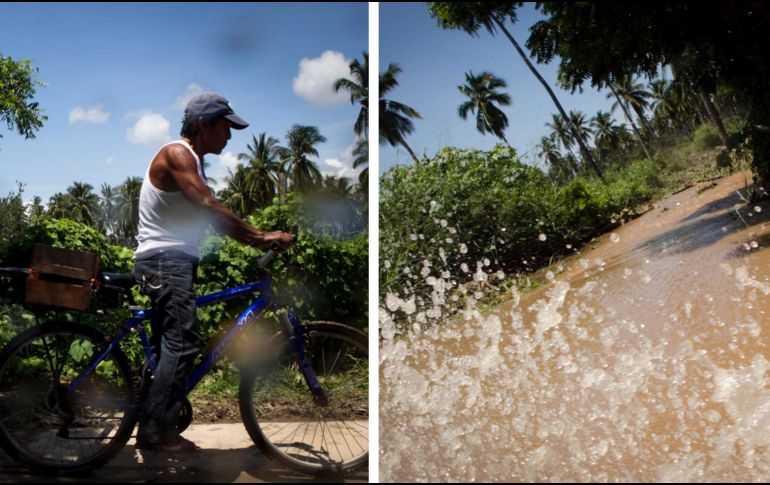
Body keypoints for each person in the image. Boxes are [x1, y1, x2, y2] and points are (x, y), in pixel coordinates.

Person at [132, 93, 293, 452]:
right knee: (183, 343)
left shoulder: (193, 161)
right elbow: (208, 205)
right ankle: (154, 431)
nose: (230, 136)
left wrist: (252, 239)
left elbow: (214, 218)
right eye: (226, 127)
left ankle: (156, 418)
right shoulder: (177, 154)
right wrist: (260, 237)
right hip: (165, 261)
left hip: (170, 261)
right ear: (204, 125)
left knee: (167, 348)